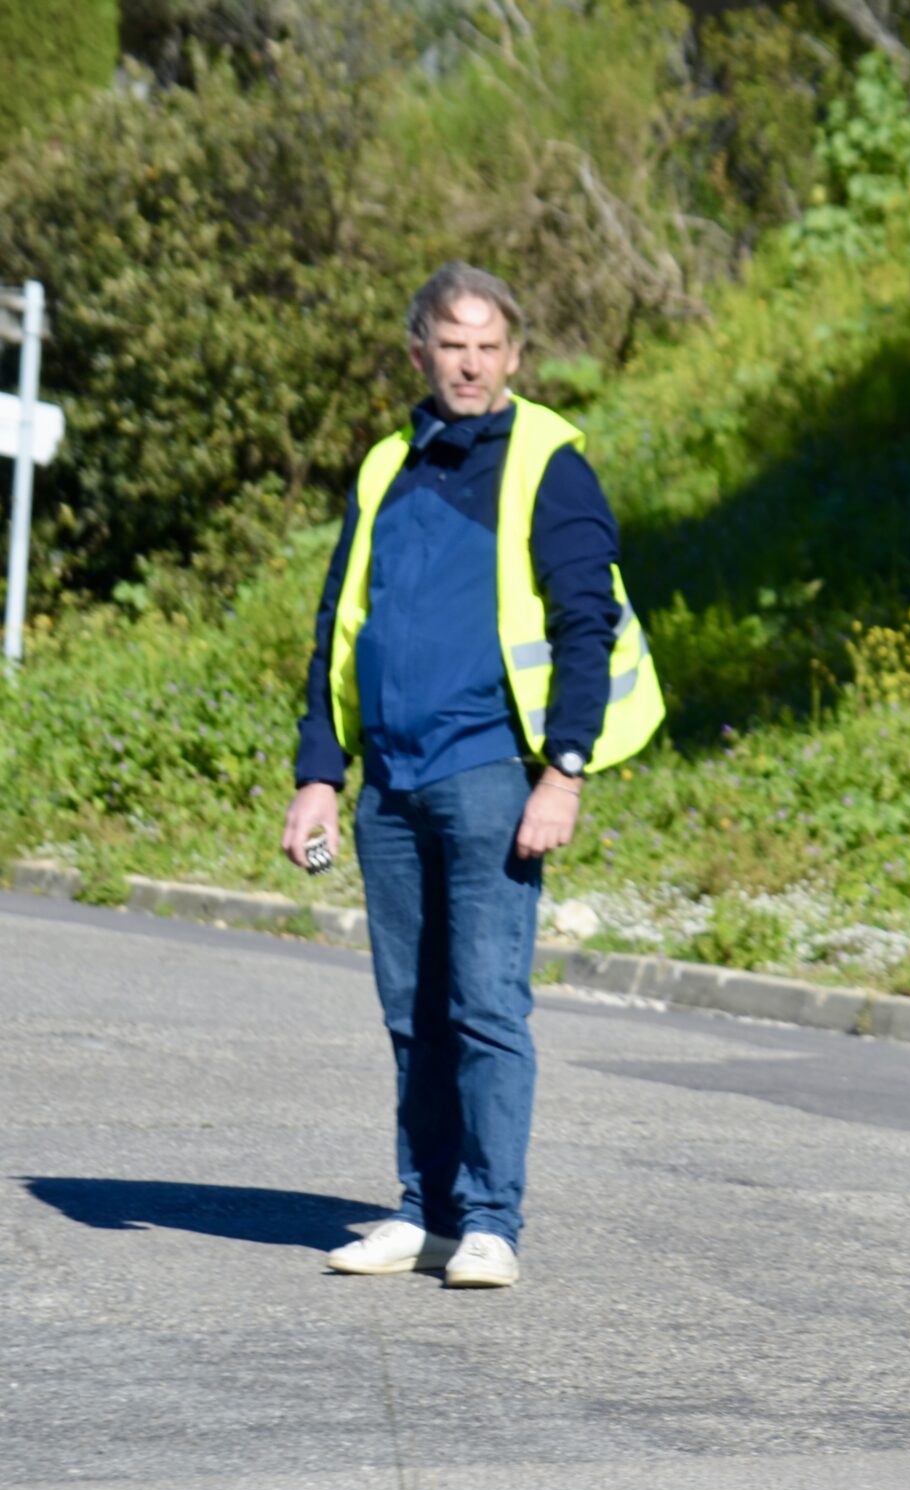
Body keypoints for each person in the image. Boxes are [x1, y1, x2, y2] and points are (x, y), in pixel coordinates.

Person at [280, 262, 663, 1290]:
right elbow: (338, 630)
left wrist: (565, 773)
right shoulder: (383, 468)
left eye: (490, 346)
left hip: (495, 771)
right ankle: (428, 1209)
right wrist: (321, 773)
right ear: (419, 354)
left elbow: (589, 622)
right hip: (390, 786)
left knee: (485, 1005)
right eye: (453, 345)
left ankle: (492, 1219)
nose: (472, 363)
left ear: (514, 356)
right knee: (410, 1009)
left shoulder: (547, 462)